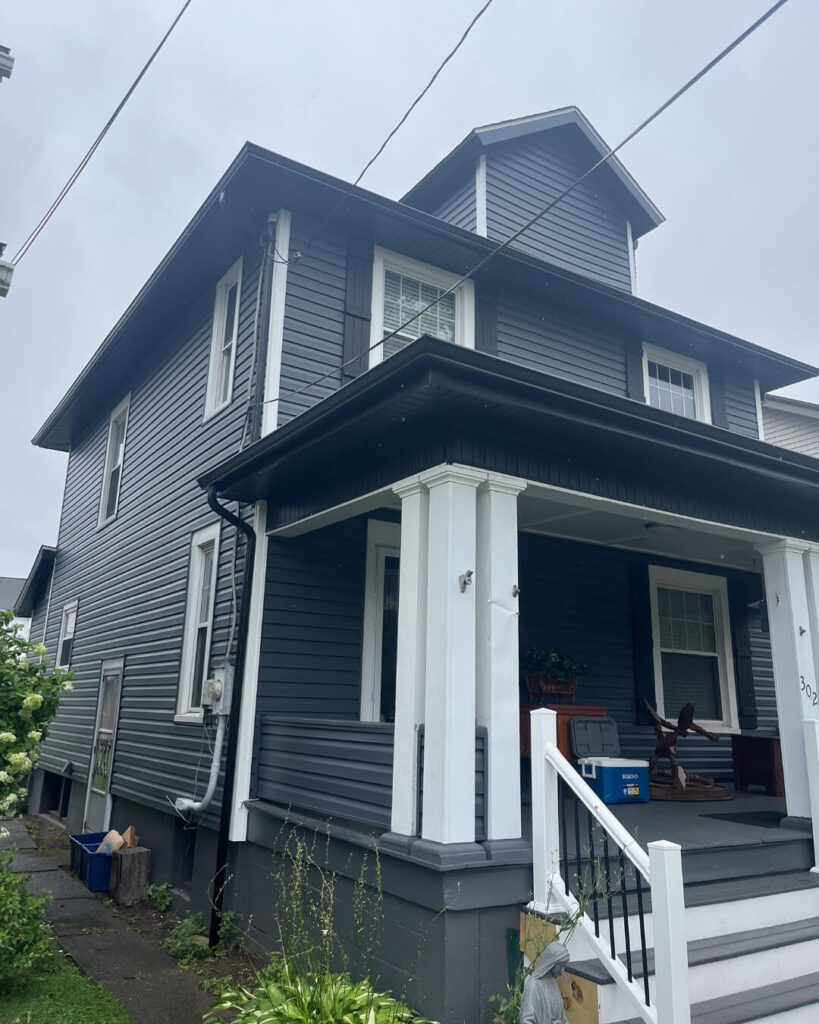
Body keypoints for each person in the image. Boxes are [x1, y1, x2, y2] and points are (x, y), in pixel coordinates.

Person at [519, 940, 570, 1024]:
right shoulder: (534, 985)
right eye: (561, 966)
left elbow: (562, 1017)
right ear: (552, 963)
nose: (562, 970)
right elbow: (526, 1020)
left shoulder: (553, 982)